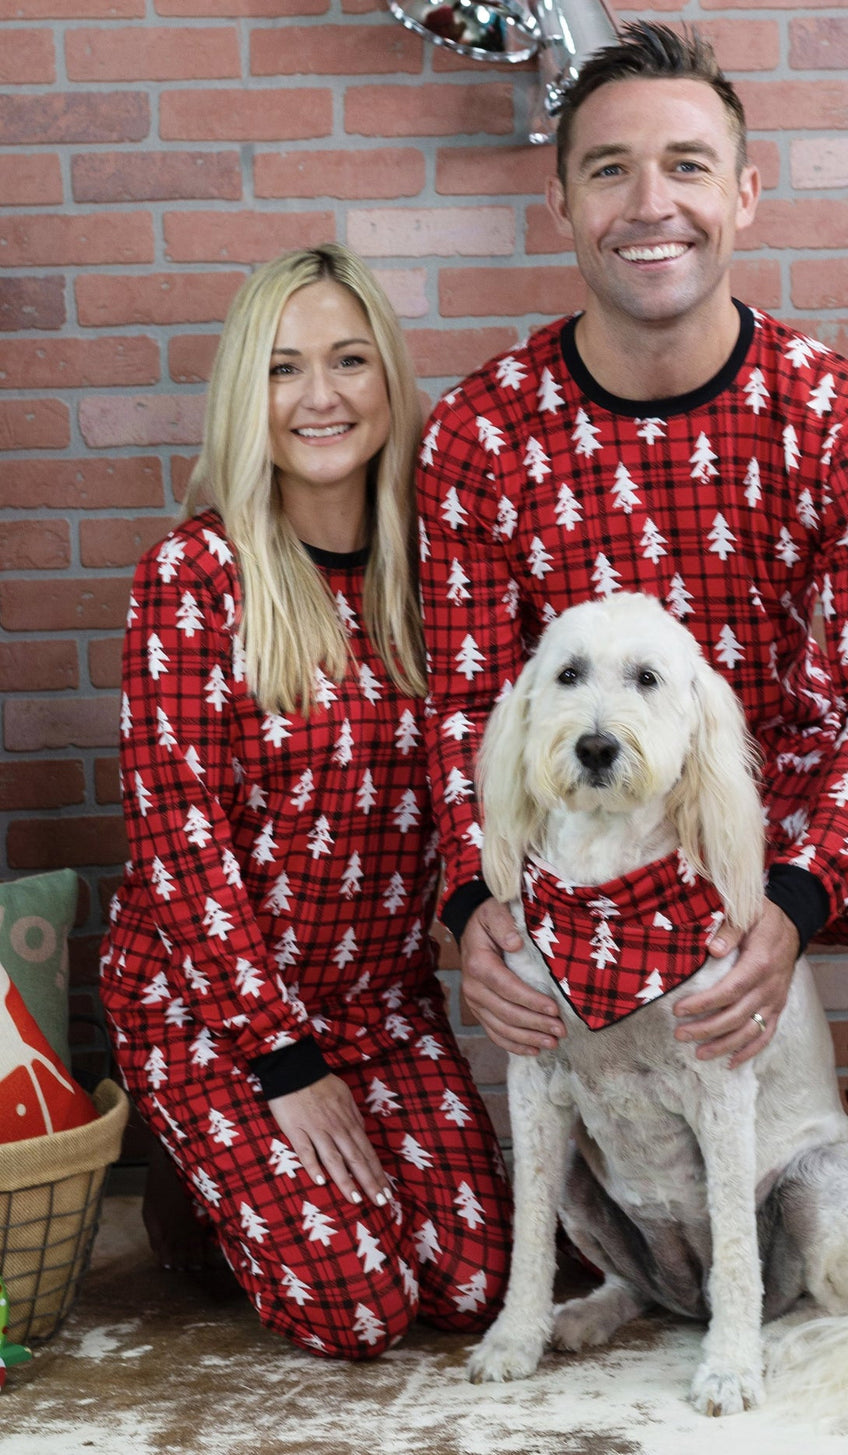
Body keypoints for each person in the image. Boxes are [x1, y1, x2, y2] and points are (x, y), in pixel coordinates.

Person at [415, 23, 848, 1275]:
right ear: (561, 203)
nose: (651, 204)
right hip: (590, 801)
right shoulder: (481, 433)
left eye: (687, 166)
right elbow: (469, 703)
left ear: (744, 194)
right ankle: (638, 1213)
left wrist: (791, 898)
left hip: (787, 783)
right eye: (609, 169)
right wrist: (473, 900)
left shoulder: (836, 413)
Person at [100, 243, 511, 1358]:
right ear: (249, 393)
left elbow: (477, 781)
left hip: (377, 1001)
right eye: (283, 368)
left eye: (347, 360)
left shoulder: (442, 574)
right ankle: (197, 1196)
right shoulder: (194, 579)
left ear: (389, 379)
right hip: (211, 1005)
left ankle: (286, 1179)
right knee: (359, 1306)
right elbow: (180, 849)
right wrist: (281, 1062)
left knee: (474, 1284)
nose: (319, 395)